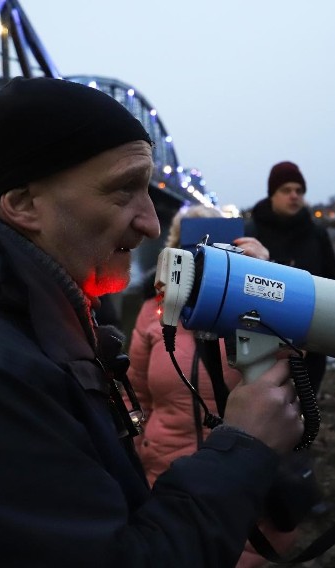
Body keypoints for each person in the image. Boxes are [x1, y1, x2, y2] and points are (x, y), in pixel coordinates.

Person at [0, 77, 303, 567]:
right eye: (124, 191)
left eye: (148, 190)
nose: (152, 224)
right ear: (24, 204)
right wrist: (244, 448)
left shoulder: (26, 313)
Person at [127, 205, 297, 567]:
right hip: (164, 476)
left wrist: (268, 281)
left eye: (215, 246)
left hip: (243, 476)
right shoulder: (151, 313)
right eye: (192, 244)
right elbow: (136, 393)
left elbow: (293, 370)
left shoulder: (252, 308)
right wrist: (142, 445)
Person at [245, 161, 335, 393]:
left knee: (305, 412)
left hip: (311, 343)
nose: (294, 196)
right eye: (286, 190)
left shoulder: (317, 234)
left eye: (299, 191)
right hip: (262, 343)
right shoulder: (250, 232)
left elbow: (334, 285)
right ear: (272, 194)